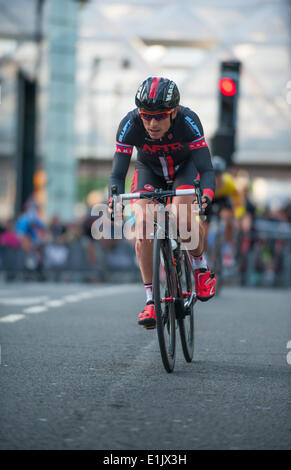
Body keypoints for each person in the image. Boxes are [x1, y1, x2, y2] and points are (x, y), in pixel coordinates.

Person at [108, 77, 216, 328]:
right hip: (149, 171)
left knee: (183, 216)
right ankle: (151, 301)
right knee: (143, 225)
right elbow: (117, 174)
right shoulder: (130, 123)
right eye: (146, 116)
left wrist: (207, 194)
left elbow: (206, 168)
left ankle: (200, 268)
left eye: (160, 116)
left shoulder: (188, 120)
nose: (152, 123)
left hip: (185, 170)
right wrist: (113, 200)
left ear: (174, 111)